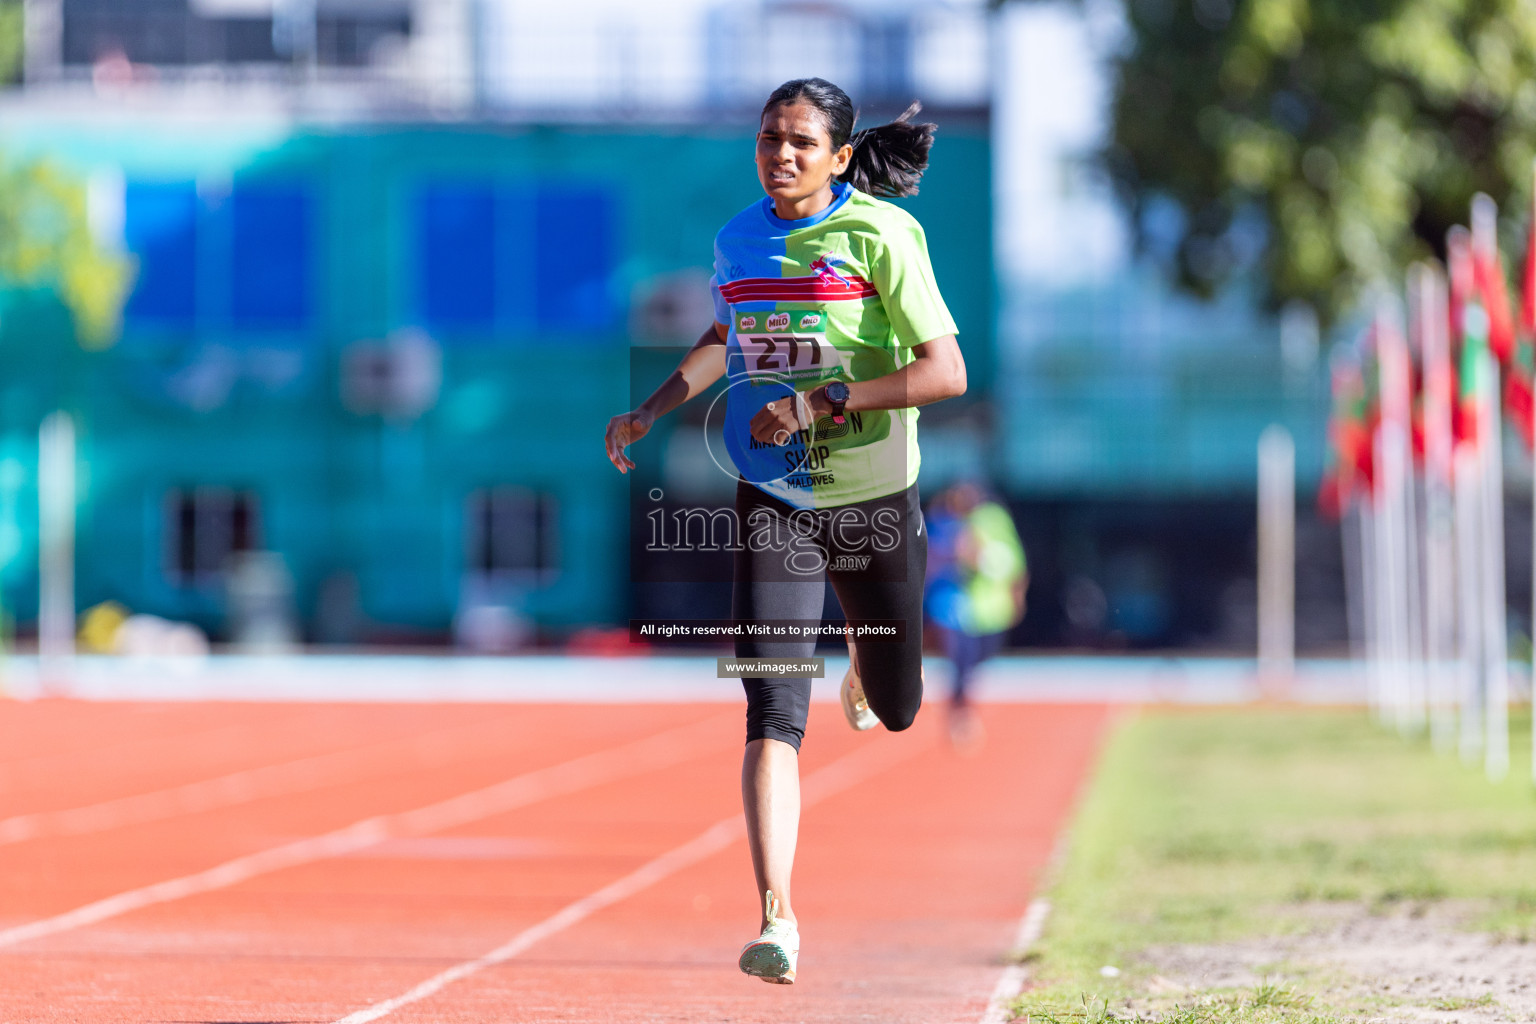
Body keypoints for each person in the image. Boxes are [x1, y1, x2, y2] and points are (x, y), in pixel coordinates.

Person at [603, 77, 966, 985]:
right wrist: (651, 407)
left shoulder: (883, 236)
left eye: (803, 141)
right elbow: (726, 335)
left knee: (899, 706)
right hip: (779, 498)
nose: (783, 154)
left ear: (841, 156)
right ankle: (778, 918)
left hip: (877, 498)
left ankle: (864, 660)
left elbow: (946, 372)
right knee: (771, 710)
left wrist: (826, 398)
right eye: (770, 137)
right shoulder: (737, 239)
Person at [924, 482, 1028, 748]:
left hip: (992, 611)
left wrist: (1015, 594)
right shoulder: (949, 523)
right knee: (963, 662)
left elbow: (1015, 561)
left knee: (974, 662)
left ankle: (960, 708)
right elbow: (961, 554)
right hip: (965, 610)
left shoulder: (994, 519)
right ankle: (960, 714)